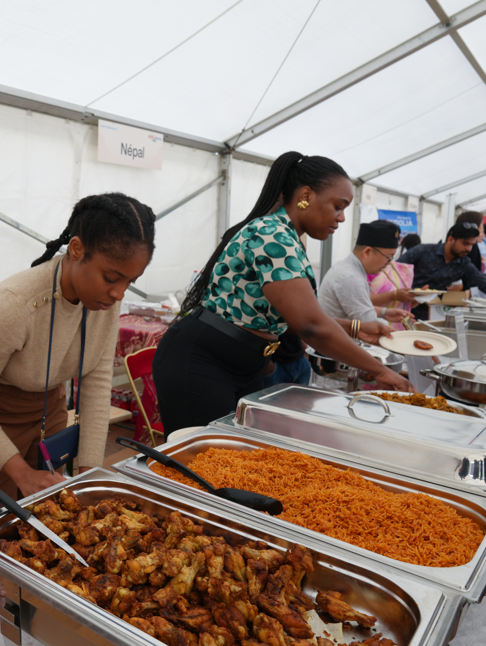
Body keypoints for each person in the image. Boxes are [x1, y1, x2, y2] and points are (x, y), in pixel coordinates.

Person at [0, 193, 155, 564]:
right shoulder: (15, 304)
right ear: (76, 249)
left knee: (43, 537)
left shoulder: (106, 300)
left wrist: (89, 476)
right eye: (112, 277)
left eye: (131, 281)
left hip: (48, 415)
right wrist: (21, 473)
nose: (119, 293)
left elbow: (95, 380)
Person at [154, 152, 413, 435]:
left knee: (247, 459)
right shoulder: (272, 235)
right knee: (202, 467)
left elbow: (287, 317)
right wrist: (380, 370)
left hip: (241, 365)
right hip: (203, 362)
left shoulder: (288, 238)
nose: (341, 218)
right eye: (338, 206)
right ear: (305, 195)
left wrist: (355, 328)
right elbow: (310, 326)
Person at [396, 221, 486, 319]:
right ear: (451, 239)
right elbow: (394, 270)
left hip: (433, 313)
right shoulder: (423, 251)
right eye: (465, 243)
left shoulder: (464, 264)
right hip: (401, 306)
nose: (469, 249)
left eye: (472, 245)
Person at [318, 220, 413, 326]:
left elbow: (357, 307)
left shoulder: (349, 268)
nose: (388, 264)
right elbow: (370, 324)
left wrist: (384, 313)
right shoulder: (351, 277)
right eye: (388, 258)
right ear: (367, 252)